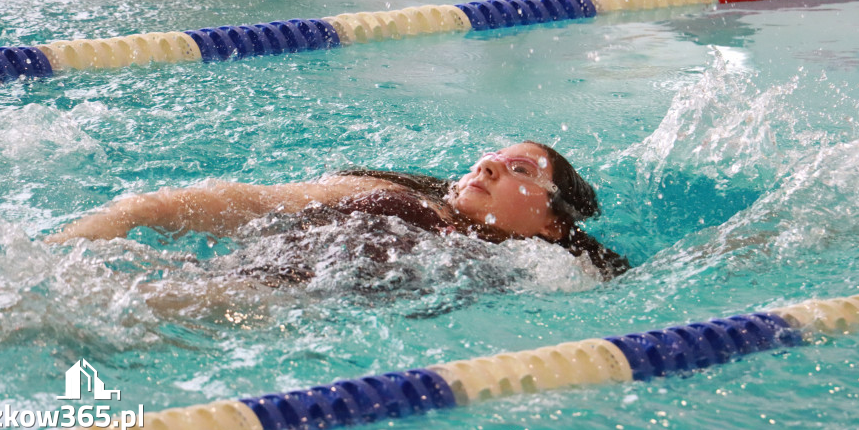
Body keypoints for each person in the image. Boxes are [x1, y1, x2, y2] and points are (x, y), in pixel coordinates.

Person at [48, 141, 630, 279]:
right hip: (244, 277)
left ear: (554, 221)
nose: (489, 167)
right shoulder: (396, 192)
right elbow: (254, 202)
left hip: (277, 310)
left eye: (521, 171)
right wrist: (134, 212)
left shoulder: (549, 269)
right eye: (488, 159)